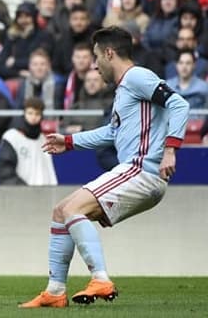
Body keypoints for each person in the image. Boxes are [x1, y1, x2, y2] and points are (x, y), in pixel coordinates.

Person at [20, 26, 190, 308]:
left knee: (73, 210)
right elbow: (111, 133)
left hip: (141, 169)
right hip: (135, 172)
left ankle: (100, 279)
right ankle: (55, 291)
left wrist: (171, 149)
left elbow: (179, 104)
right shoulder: (125, 90)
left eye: (97, 57)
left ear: (110, 53)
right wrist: (70, 142)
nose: (95, 65)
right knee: (61, 211)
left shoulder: (137, 76)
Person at [0, 97, 57, 186]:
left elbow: (49, 171)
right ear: (24, 113)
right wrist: (23, 189)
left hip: (44, 194)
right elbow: (5, 172)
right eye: (30, 113)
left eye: (37, 114)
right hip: (20, 194)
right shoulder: (11, 137)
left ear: (41, 116)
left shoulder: (43, 139)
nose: (33, 117)